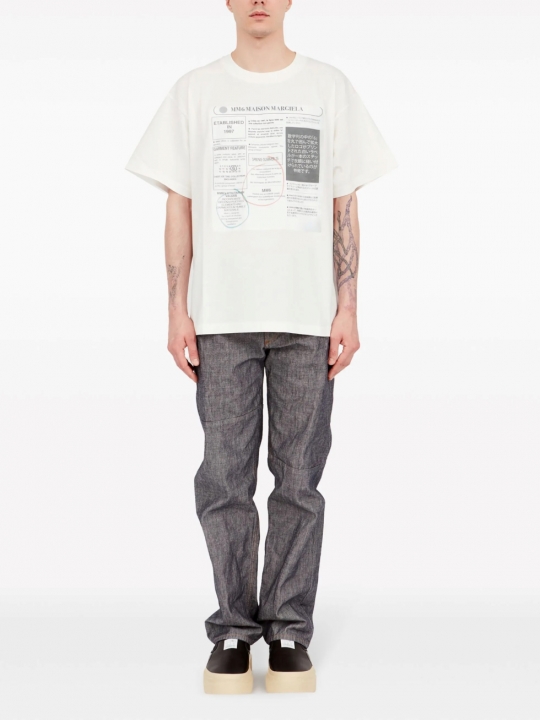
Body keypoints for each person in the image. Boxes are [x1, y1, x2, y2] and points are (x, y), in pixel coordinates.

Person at [125, 0, 397, 695]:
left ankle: (289, 629)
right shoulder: (196, 91)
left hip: (308, 317)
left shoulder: (328, 87)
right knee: (224, 478)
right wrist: (176, 308)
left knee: (299, 480)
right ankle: (233, 629)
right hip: (222, 317)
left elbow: (344, 204)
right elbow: (179, 205)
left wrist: (348, 305)